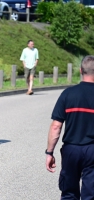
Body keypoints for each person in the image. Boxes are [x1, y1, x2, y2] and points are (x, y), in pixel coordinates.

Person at [45, 55, 94, 199]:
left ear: (80, 70)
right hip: (92, 151)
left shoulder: (68, 94)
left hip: (71, 150)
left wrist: (49, 152)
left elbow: (56, 127)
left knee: (69, 193)